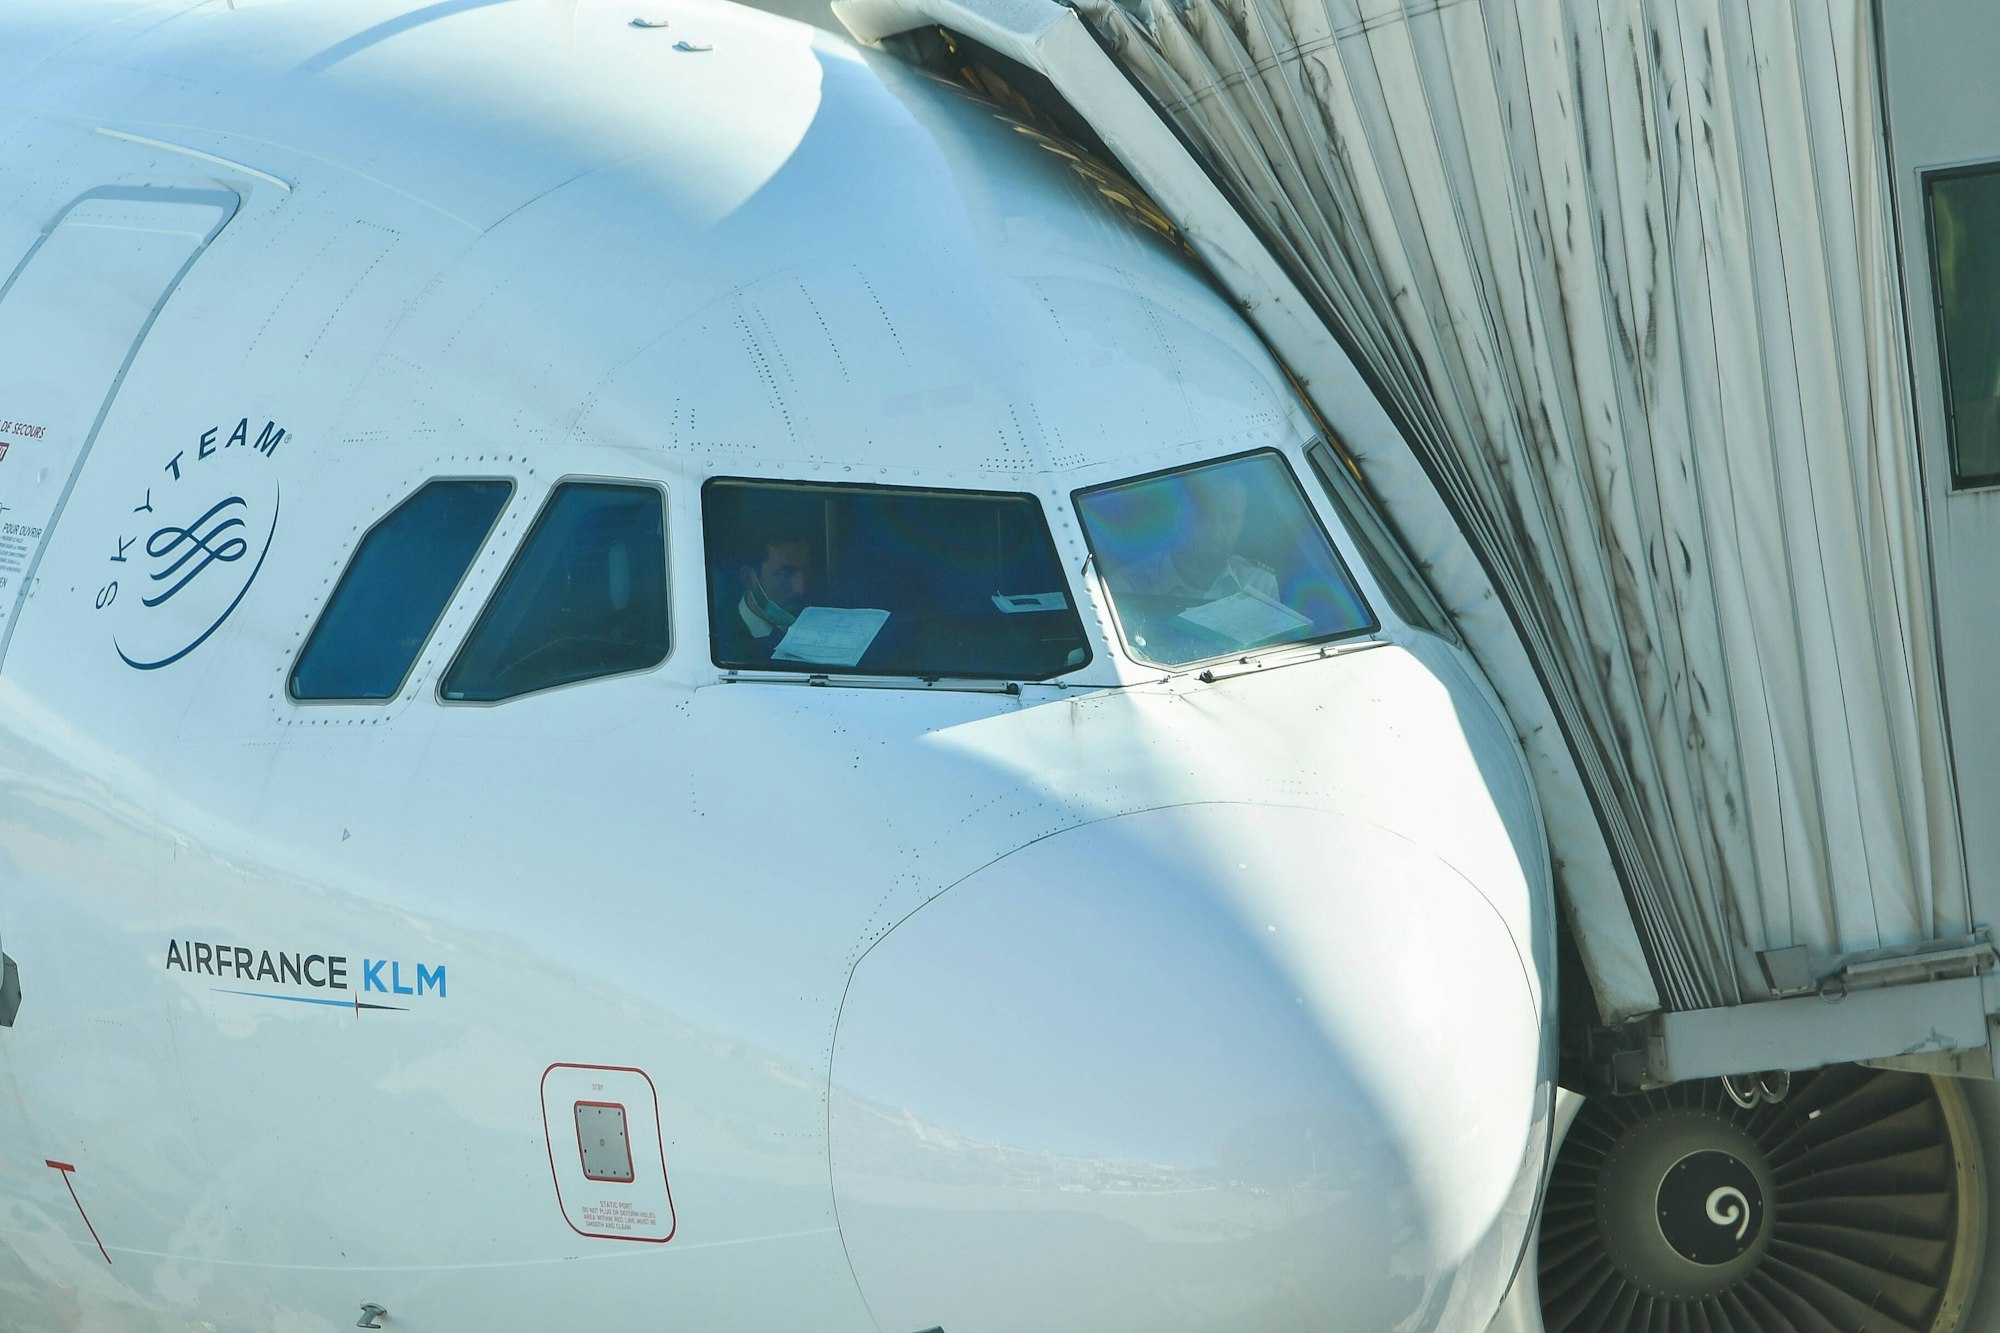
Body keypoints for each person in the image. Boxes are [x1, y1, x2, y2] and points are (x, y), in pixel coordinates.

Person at [1108, 465, 1279, 602]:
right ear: (1179, 517)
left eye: (1228, 519)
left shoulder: (1260, 586)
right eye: (1204, 515)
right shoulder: (1127, 589)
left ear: (1241, 524)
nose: (1215, 531)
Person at [716, 533, 814, 664]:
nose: (801, 588)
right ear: (749, 578)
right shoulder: (716, 640)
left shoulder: (819, 625)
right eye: (785, 574)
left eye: (808, 572)